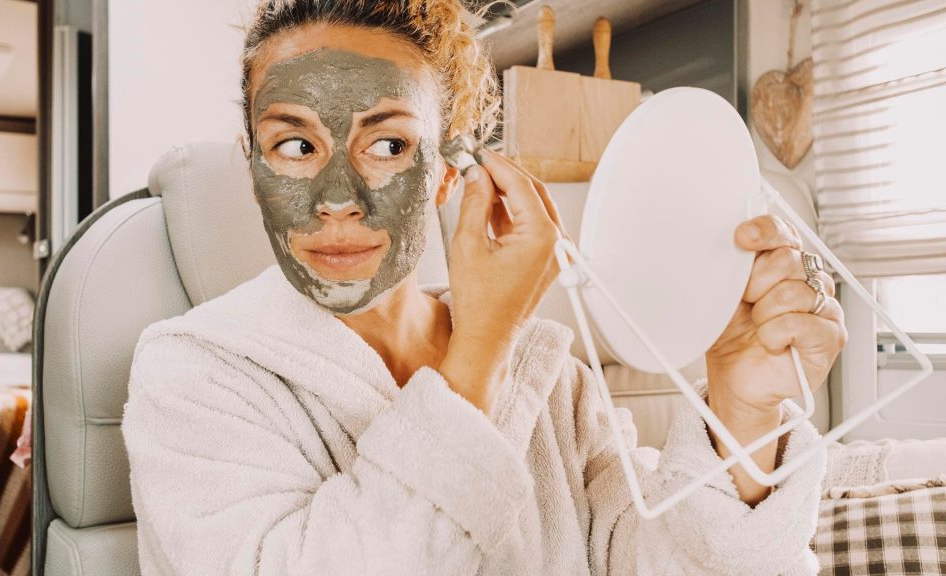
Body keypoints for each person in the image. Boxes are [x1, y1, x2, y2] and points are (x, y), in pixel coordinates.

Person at [120, 1, 847, 574]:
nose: (336, 198)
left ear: (446, 168)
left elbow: (654, 563)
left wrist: (745, 415)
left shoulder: (552, 380)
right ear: (253, 168)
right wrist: (481, 353)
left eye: (387, 144)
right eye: (296, 145)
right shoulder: (192, 374)